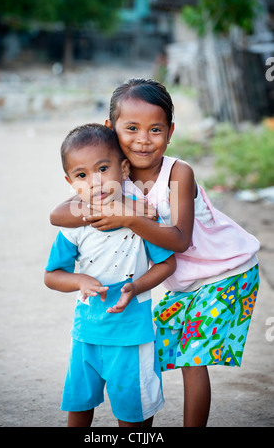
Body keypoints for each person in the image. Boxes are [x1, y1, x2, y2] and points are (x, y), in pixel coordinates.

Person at [50, 79, 260, 427]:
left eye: (155, 129)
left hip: (227, 272)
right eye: (131, 128)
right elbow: (58, 214)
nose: (143, 139)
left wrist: (129, 216)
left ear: (171, 131)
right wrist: (113, 208)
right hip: (184, 281)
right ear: (111, 129)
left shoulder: (178, 173)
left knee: (193, 358)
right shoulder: (115, 177)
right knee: (164, 348)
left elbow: (179, 240)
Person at [44, 123, 176, 427]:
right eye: (82, 175)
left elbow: (167, 265)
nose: (95, 182)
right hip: (86, 332)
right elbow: (52, 275)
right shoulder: (75, 225)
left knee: (133, 413)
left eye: (103, 168)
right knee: (79, 405)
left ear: (124, 168)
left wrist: (135, 285)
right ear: (70, 182)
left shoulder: (140, 219)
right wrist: (79, 280)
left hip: (132, 334)